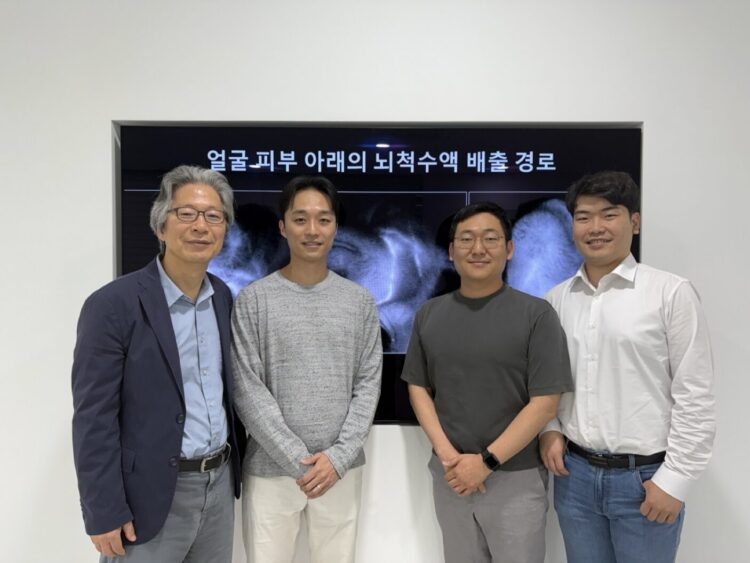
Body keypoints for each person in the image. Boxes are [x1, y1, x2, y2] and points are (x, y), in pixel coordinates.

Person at [541, 171, 716, 563]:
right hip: (575, 477)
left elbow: (695, 394)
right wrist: (550, 429)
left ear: (634, 222)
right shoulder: (556, 299)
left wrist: (675, 481)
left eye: (609, 214)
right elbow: (548, 381)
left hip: (645, 480)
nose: (595, 227)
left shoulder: (670, 293)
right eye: (584, 217)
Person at [72, 165, 245, 562]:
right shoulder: (112, 305)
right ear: (161, 226)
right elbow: (93, 417)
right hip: (148, 495)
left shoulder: (222, 297)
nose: (200, 226)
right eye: (186, 213)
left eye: (213, 216)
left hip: (218, 487)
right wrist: (103, 510)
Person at [401, 201, 573, 563]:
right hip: (451, 477)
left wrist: (486, 462)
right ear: (451, 251)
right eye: (466, 239)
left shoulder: (537, 314)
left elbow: (545, 402)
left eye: (490, 238)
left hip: (516, 478)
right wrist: (448, 456)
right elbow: (418, 387)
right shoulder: (429, 313)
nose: (478, 248)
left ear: (509, 249)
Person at [231, 176, 382, 563]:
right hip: (269, 470)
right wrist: (298, 460)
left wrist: (337, 458)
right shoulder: (253, 300)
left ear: (335, 227)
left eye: (323, 219)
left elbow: (368, 385)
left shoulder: (359, 301)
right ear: (283, 227)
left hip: (339, 471)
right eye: (300, 219)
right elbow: (247, 388)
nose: (312, 230)